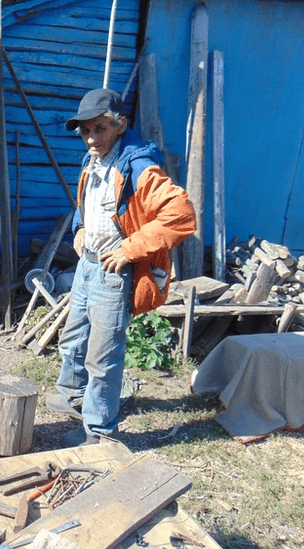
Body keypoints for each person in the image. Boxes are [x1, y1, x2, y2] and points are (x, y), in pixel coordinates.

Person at [46, 88, 196, 446]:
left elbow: (182, 215)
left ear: (119, 125)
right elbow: (89, 203)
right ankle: (74, 398)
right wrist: (80, 228)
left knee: (103, 355)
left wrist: (130, 248)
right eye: (85, 131)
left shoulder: (138, 165)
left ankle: (100, 432)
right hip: (88, 265)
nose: (91, 138)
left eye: (99, 128)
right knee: (73, 341)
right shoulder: (93, 160)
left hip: (114, 274)